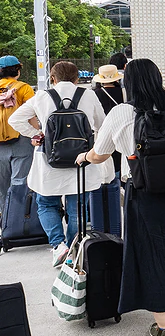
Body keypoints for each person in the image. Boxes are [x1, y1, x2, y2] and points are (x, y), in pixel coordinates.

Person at [76, 59, 165, 336]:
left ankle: (164, 328)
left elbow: (101, 154)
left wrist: (84, 157)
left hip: (146, 195)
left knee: (153, 254)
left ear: (129, 84)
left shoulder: (122, 113)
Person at [8, 62, 112, 267]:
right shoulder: (88, 95)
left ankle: (58, 246)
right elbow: (102, 124)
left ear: (52, 78)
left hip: (49, 161)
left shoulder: (42, 96)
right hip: (80, 160)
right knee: (77, 206)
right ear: (76, 78)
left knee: (46, 204)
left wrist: (37, 135)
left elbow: (15, 119)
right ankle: (73, 250)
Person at [0, 55, 36, 212]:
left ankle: (4, 219)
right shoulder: (24, 88)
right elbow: (32, 115)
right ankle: (19, 220)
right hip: (21, 139)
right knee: (20, 182)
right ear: (18, 70)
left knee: (2, 185)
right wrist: (36, 134)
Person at [92, 64, 126, 176]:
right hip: (121, 130)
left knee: (105, 160)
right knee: (120, 159)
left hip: (103, 130)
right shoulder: (124, 93)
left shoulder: (95, 94)